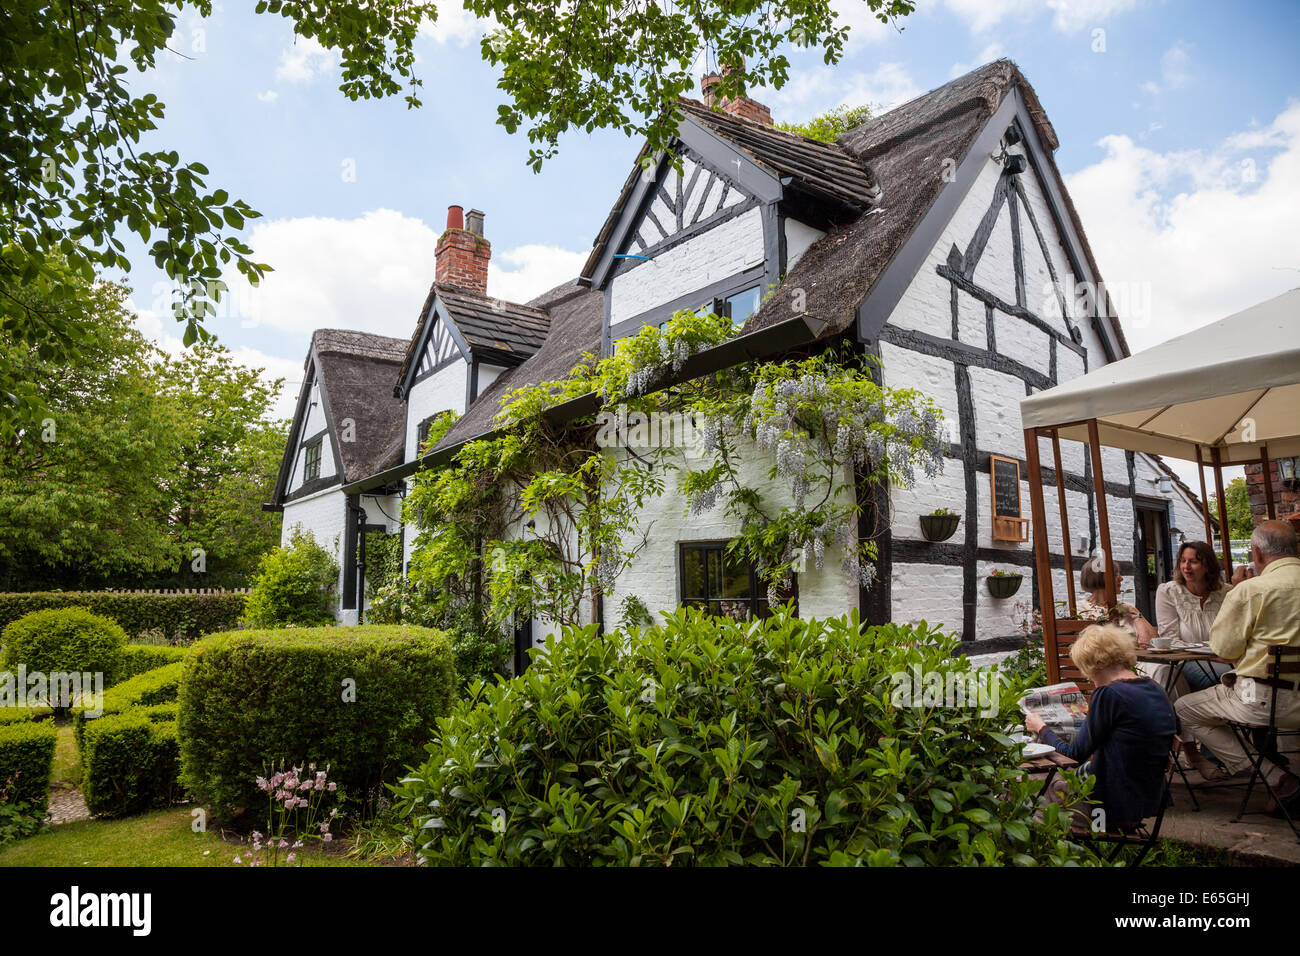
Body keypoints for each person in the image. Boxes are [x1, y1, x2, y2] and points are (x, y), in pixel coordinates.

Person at [1175, 521, 1300, 804]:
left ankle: (1275, 777)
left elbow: (1223, 648)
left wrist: (1236, 591)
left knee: (1184, 708)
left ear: (1257, 553)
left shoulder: (1250, 590)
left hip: (1261, 698)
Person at [1026, 623, 1177, 830]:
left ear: (1091, 665)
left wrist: (1041, 728)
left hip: (1106, 813)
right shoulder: (1153, 688)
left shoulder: (1109, 695)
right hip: (1143, 803)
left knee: (1028, 790)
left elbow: (1074, 755)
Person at [1155, 541, 1234, 693]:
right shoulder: (1168, 592)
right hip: (1187, 661)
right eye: (1183, 561)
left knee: (1252, 677)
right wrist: (1209, 655)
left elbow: (1234, 632)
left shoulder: (1226, 592)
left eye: (1194, 562)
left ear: (1208, 566)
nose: (1186, 566)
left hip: (1226, 659)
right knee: (1231, 680)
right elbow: (1170, 640)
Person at [1077, 556, 1158, 645]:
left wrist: (1133, 610)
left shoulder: (1126, 608)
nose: (1121, 578)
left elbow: (1151, 642)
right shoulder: (1081, 609)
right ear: (1101, 578)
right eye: (1115, 575)